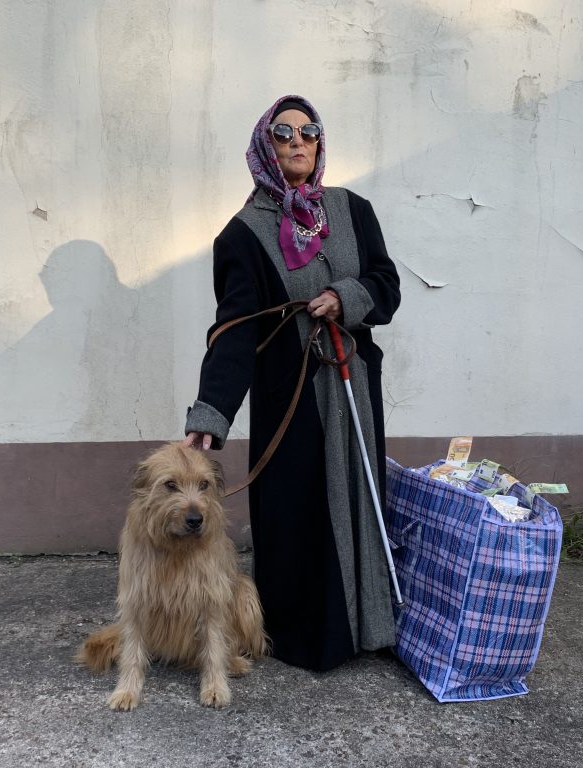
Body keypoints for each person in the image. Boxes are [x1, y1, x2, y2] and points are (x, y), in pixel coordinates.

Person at [183, 95, 401, 672]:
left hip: (354, 388)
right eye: (284, 134)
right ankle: (309, 635)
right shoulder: (243, 235)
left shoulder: (353, 209)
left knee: (358, 498)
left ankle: (372, 627)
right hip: (293, 400)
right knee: (300, 513)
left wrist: (347, 298)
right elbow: (232, 333)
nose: (298, 142)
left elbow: (387, 284)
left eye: (309, 132)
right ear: (265, 147)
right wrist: (210, 417)